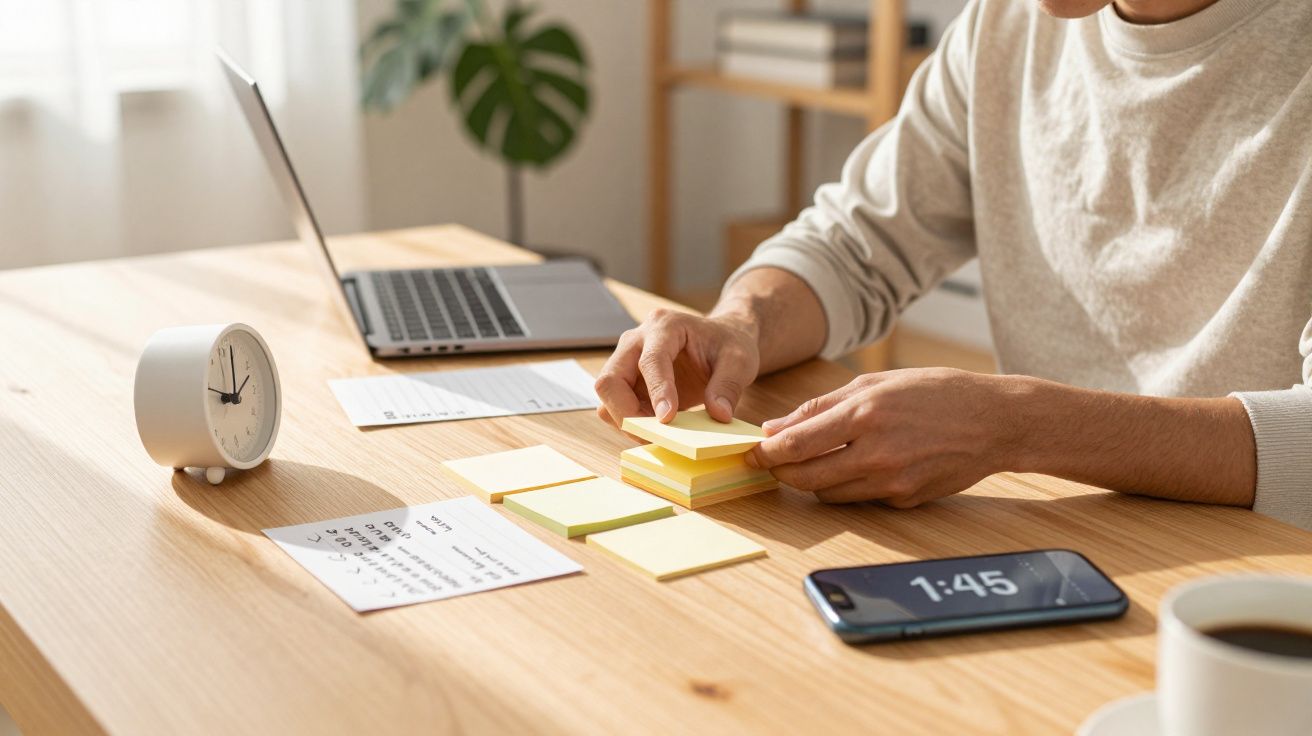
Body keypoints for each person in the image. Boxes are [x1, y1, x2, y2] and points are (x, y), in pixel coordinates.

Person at [595, 0, 1312, 531]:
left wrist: (1015, 425)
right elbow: (854, 242)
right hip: (1043, 532)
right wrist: (740, 324)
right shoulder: (1007, 21)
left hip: (1254, 572)